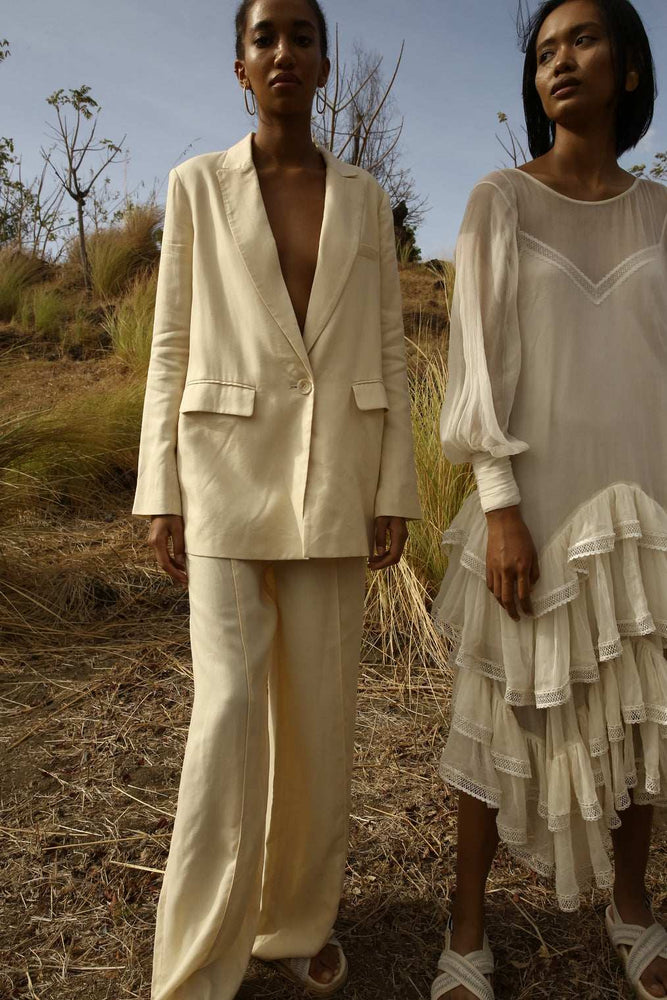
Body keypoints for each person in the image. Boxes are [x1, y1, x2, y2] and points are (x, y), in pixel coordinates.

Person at [132, 1, 421, 997]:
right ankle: (194, 965)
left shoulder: (366, 199)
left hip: (336, 478)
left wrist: (393, 485)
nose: (284, 51)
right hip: (220, 475)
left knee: (318, 725)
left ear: (325, 65)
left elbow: (389, 347)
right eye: (265, 37)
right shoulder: (195, 187)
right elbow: (171, 343)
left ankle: (290, 926)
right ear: (240, 68)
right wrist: (161, 487)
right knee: (225, 719)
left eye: (302, 35)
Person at [429, 1, 667, 998]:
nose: (559, 61)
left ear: (629, 67)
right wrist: (498, 505)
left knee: (642, 711)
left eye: (582, 40)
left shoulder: (662, 213)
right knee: (501, 710)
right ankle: (466, 929)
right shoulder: (499, 201)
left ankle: (631, 905)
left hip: (647, 501)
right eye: (542, 52)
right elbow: (475, 369)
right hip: (536, 501)